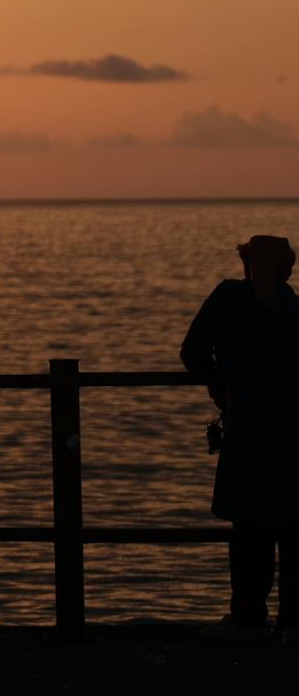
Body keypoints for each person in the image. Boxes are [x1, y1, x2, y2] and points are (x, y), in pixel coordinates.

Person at [179, 234, 299, 640]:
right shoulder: (293, 308)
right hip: (292, 435)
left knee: (250, 531)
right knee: (291, 528)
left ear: (248, 264)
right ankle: (292, 621)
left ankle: (248, 616)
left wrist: (219, 383)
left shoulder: (230, 298)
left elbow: (192, 351)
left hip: (249, 433)